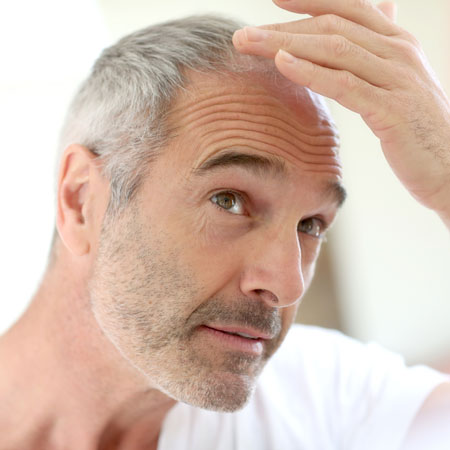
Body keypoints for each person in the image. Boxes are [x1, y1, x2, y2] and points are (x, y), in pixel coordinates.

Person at [0, 0, 449, 448]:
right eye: (229, 200)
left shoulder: (328, 399)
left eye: (310, 224)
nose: (288, 285)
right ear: (81, 201)